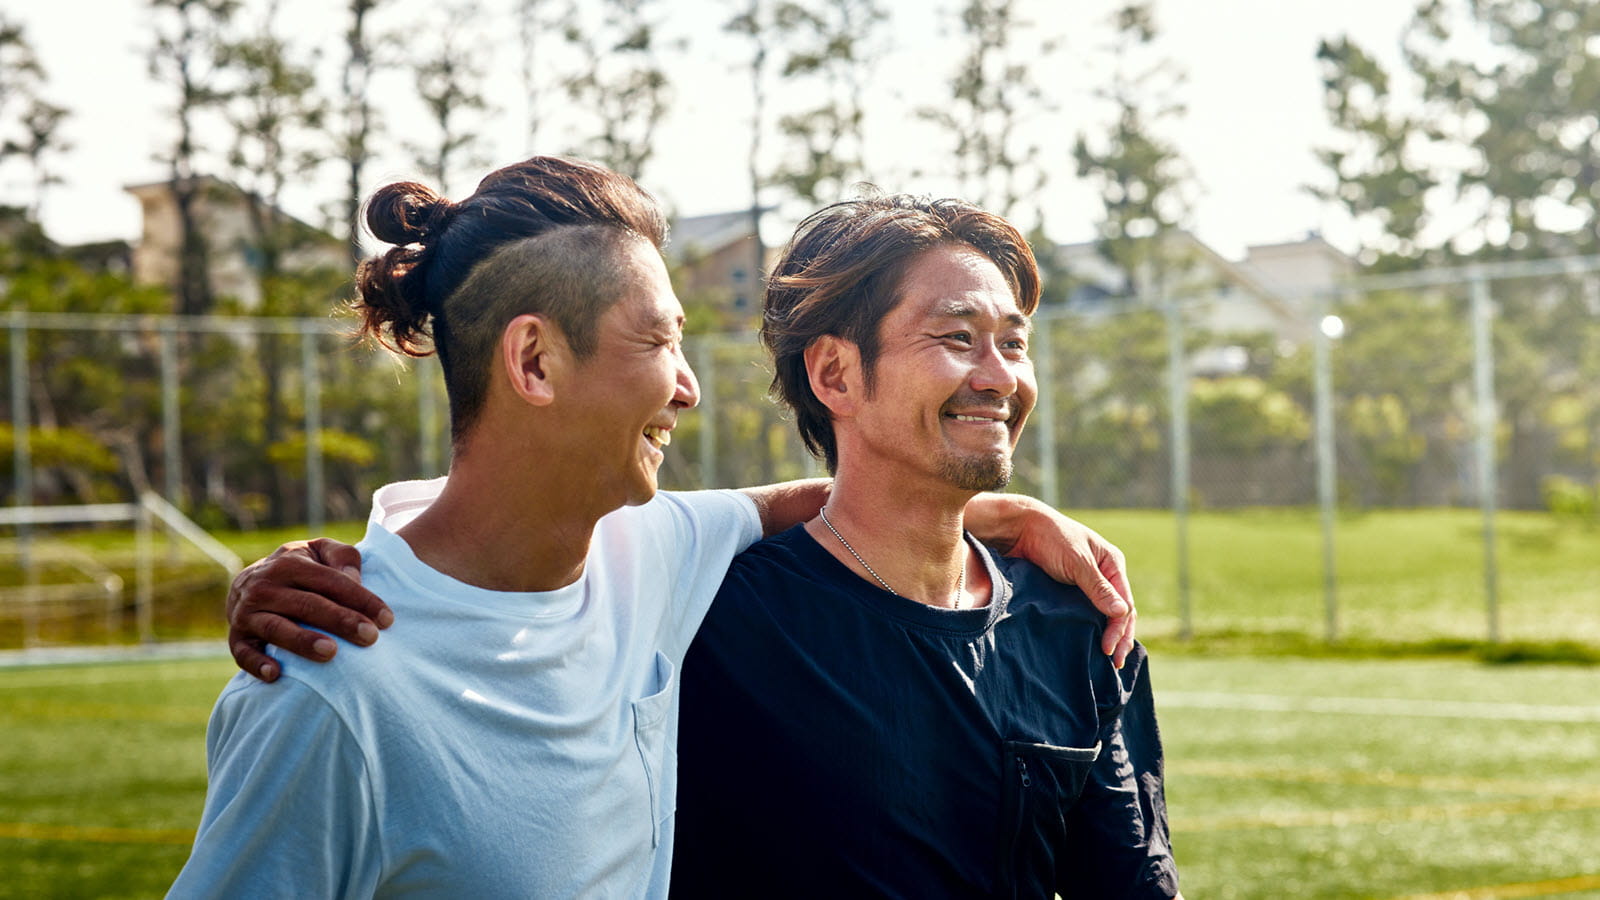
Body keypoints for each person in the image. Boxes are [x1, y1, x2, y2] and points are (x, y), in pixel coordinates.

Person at [172, 157, 1136, 898]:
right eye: (659, 342)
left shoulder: (651, 550)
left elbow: (819, 501)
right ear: (535, 362)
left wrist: (1002, 512)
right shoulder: (327, 687)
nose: (689, 388)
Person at [671, 194, 1180, 897]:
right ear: (835, 374)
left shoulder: (1077, 622)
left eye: (1014, 343)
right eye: (957, 338)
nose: (1000, 377)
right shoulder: (714, 623)